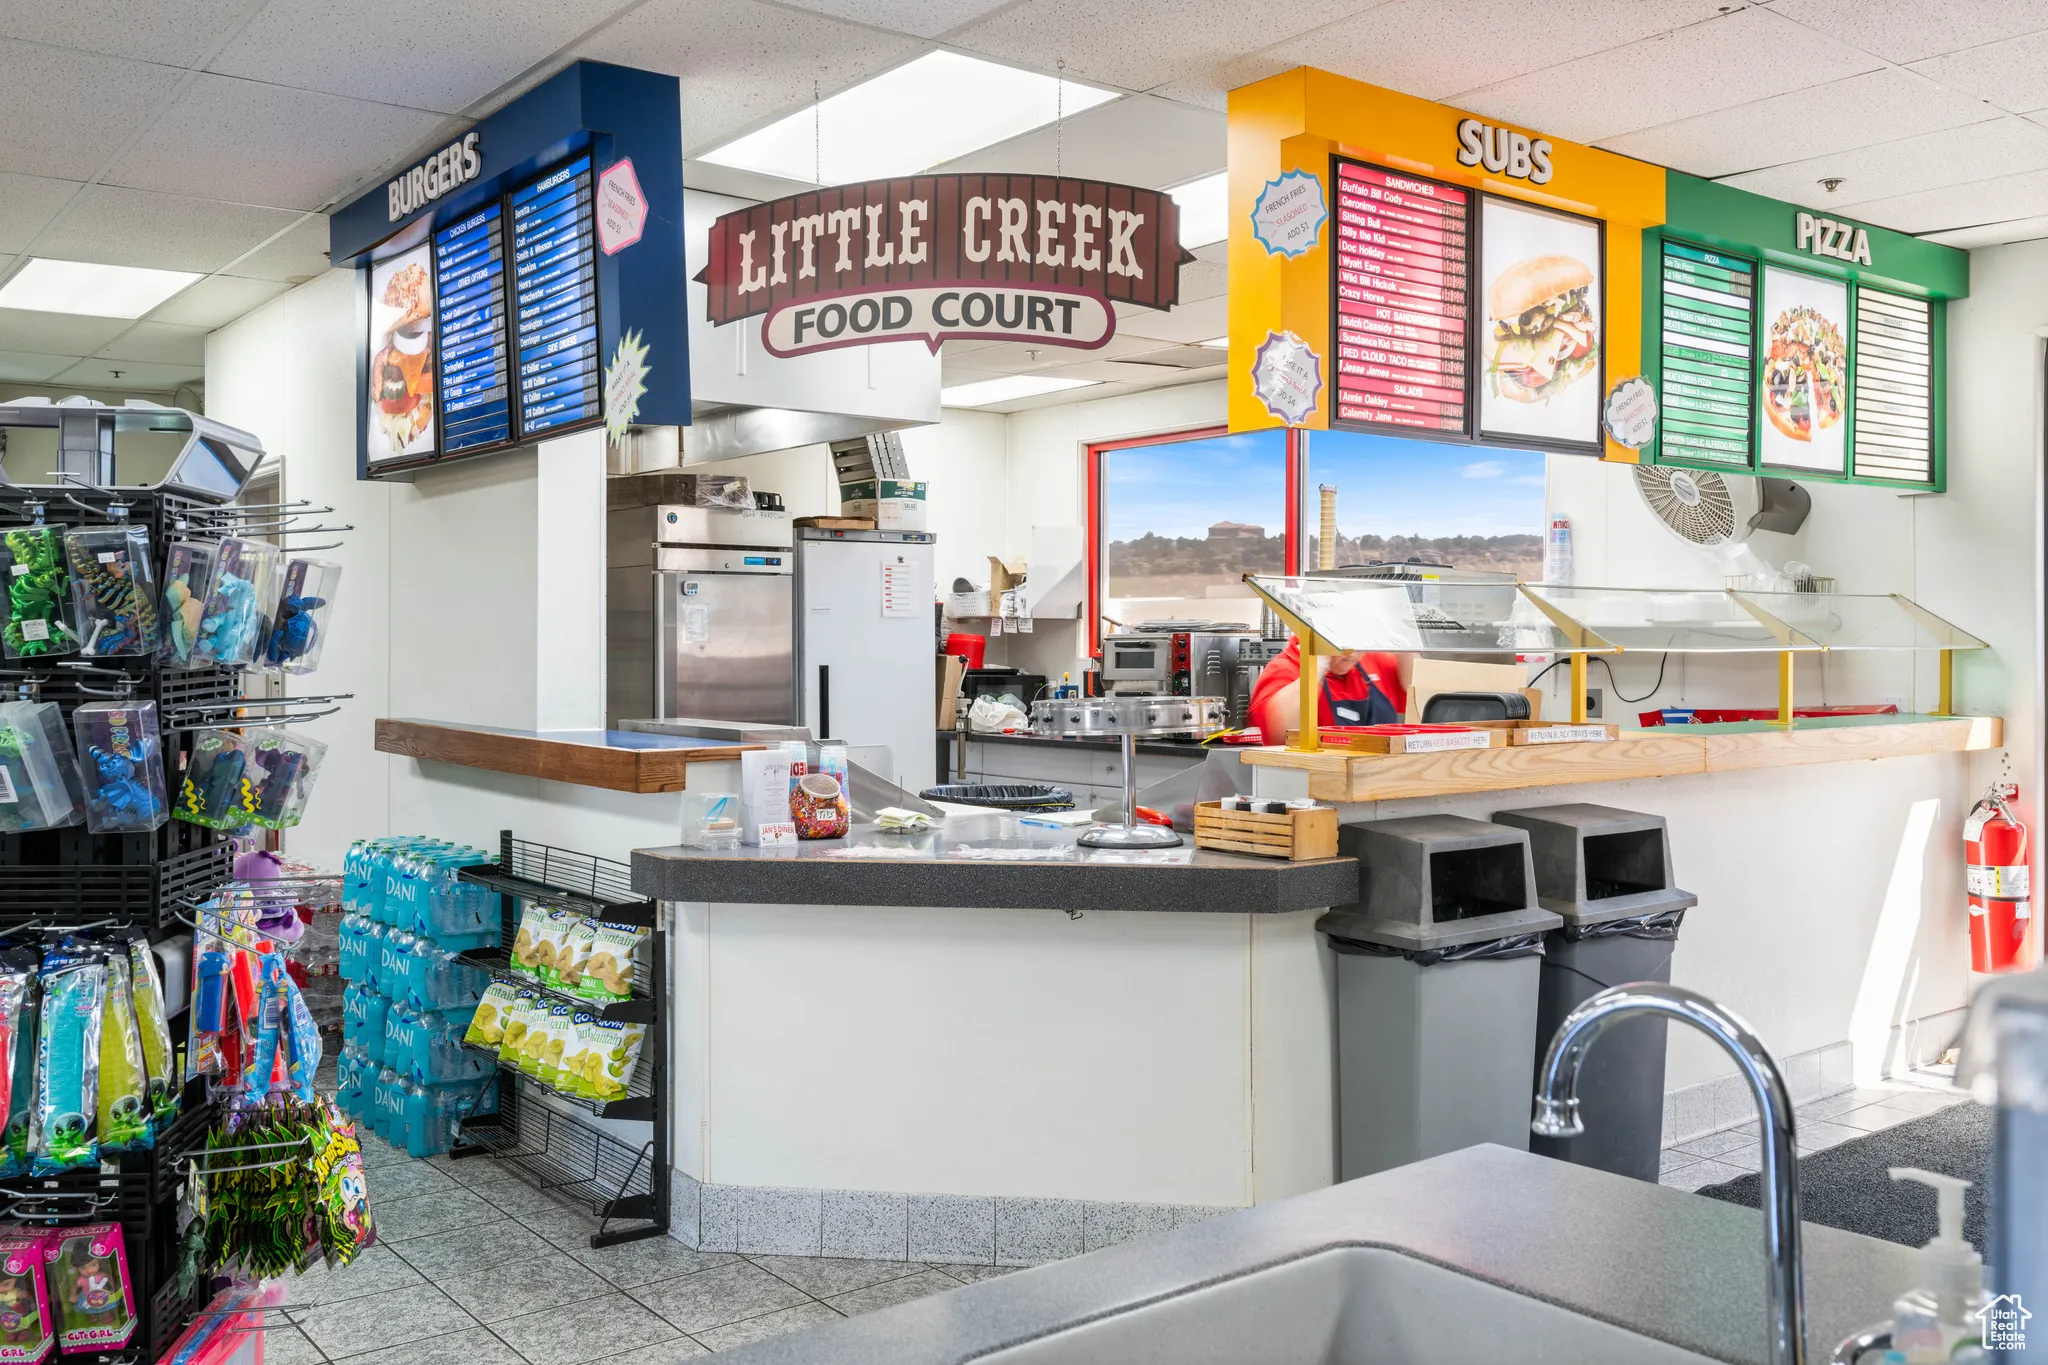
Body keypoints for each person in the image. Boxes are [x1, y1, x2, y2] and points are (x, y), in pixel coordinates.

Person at [1248, 637, 1413, 743]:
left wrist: (1405, 649)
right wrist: (1315, 672)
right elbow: (1274, 736)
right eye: (1343, 645)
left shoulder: (1371, 661)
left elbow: (1419, 698)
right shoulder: (1285, 669)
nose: (1353, 655)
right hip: (1314, 785)